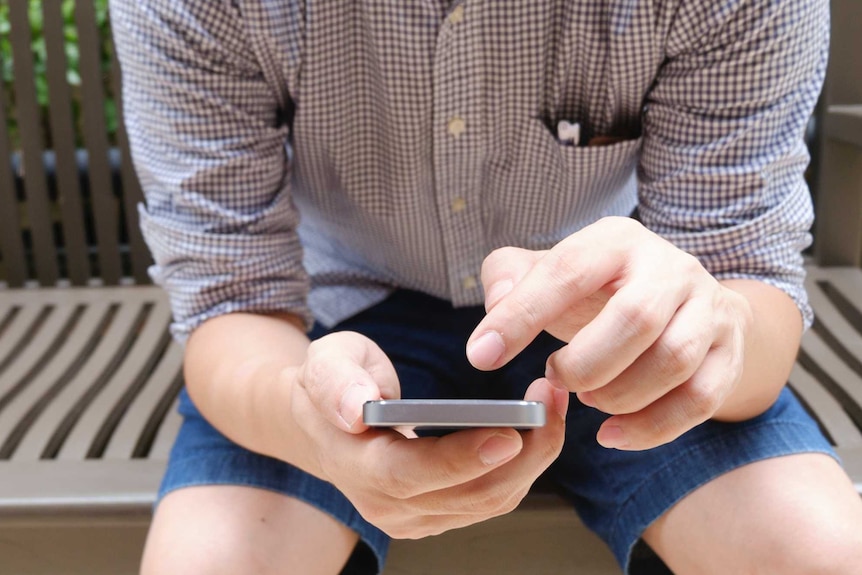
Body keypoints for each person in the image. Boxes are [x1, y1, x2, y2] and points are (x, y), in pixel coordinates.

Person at [110, 0, 862, 573]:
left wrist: (711, 333)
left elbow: (743, 287)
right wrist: (298, 411)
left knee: (821, 551)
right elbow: (230, 300)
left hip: (619, 314)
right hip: (327, 323)